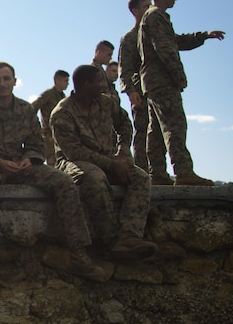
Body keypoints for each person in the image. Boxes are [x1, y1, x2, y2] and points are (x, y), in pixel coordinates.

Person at [0, 61, 106, 282]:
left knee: (63, 181)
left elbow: (36, 143)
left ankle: (78, 252)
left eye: (6, 78)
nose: (2, 84)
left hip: (20, 166)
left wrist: (30, 159)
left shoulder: (25, 110)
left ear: (14, 82)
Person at [51, 65, 157, 262]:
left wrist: (122, 152)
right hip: (74, 162)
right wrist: (111, 164)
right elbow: (74, 151)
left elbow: (125, 124)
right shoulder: (62, 113)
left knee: (141, 178)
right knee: (96, 180)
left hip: (109, 159)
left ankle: (129, 237)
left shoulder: (106, 103)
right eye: (99, 81)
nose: (103, 84)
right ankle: (113, 241)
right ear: (86, 84)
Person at [138, 0, 225, 187]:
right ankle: (183, 171)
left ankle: (157, 174)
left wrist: (203, 36)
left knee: (157, 131)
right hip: (162, 82)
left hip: (152, 83)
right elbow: (165, 48)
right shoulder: (156, 16)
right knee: (175, 125)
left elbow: (175, 41)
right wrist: (179, 76)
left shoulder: (155, 17)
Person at [118, 0, 170, 183]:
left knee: (160, 133)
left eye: (151, 5)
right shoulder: (130, 38)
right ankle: (141, 174)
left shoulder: (154, 33)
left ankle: (159, 173)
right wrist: (130, 91)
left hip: (157, 91)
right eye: (145, 6)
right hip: (140, 93)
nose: (150, 9)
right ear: (135, 11)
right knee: (142, 133)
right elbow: (124, 68)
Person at [29, 69, 69, 165]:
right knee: (53, 163)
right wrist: (38, 127)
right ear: (57, 80)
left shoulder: (63, 97)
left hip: (61, 136)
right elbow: (32, 108)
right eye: (65, 81)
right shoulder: (48, 94)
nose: (67, 84)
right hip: (49, 136)